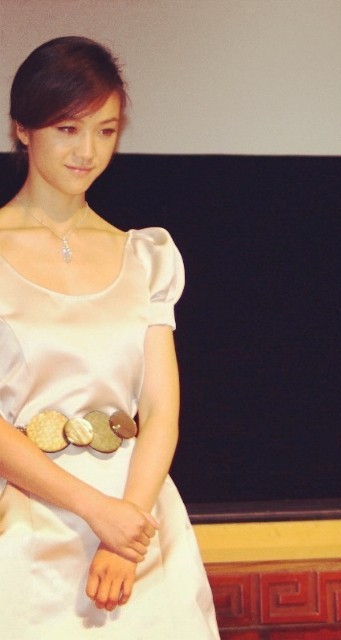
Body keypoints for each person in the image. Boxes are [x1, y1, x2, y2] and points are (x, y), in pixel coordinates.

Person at [0, 36, 220, 638]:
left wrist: (126, 532)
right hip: (25, 517)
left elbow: (160, 411)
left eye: (105, 131)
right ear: (23, 128)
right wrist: (97, 512)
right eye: (68, 129)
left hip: (136, 512)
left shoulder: (145, 255)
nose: (87, 151)